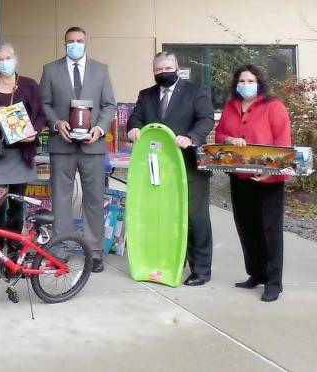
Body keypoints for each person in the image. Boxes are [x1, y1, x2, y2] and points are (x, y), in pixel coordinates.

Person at [126, 51, 215, 286]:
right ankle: (173, 261)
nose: (163, 73)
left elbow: (206, 119)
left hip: (190, 163)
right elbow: (135, 118)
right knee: (167, 216)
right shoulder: (146, 95)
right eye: (158, 70)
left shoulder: (197, 91)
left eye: (168, 68)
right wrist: (133, 129)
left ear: (177, 68)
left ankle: (201, 270)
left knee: (195, 217)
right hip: (158, 166)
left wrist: (191, 137)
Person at [39, 26, 115, 273]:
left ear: (86, 42)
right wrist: (55, 122)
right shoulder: (50, 70)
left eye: (79, 40)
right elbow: (44, 104)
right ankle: (60, 249)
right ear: (64, 43)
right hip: (63, 145)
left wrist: (101, 129)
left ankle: (94, 251)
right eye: (70, 41)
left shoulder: (101, 70)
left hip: (93, 145)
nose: (75, 44)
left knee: (93, 199)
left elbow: (109, 105)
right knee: (61, 199)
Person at [215, 65, 291, 301]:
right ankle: (255, 274)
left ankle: (273, 282)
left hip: (268, 181)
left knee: (269, 230)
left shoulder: (274, 107)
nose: (246, 84)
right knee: (246, 227)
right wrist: (229, 138)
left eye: (250, 80)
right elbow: (219, 135)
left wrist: (272, 173)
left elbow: (283, 144)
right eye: (242, 80)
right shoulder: (230, 107)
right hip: (240, 177)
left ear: (259, 83)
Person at [0, 43, 47, 278]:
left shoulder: (29, 85)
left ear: (15, 59)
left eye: (8, 57)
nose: (4, 62)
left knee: (17, 206)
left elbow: (40, 115)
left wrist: (34, 132)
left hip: (21, 154)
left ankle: (15, 255)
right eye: (0, 58)